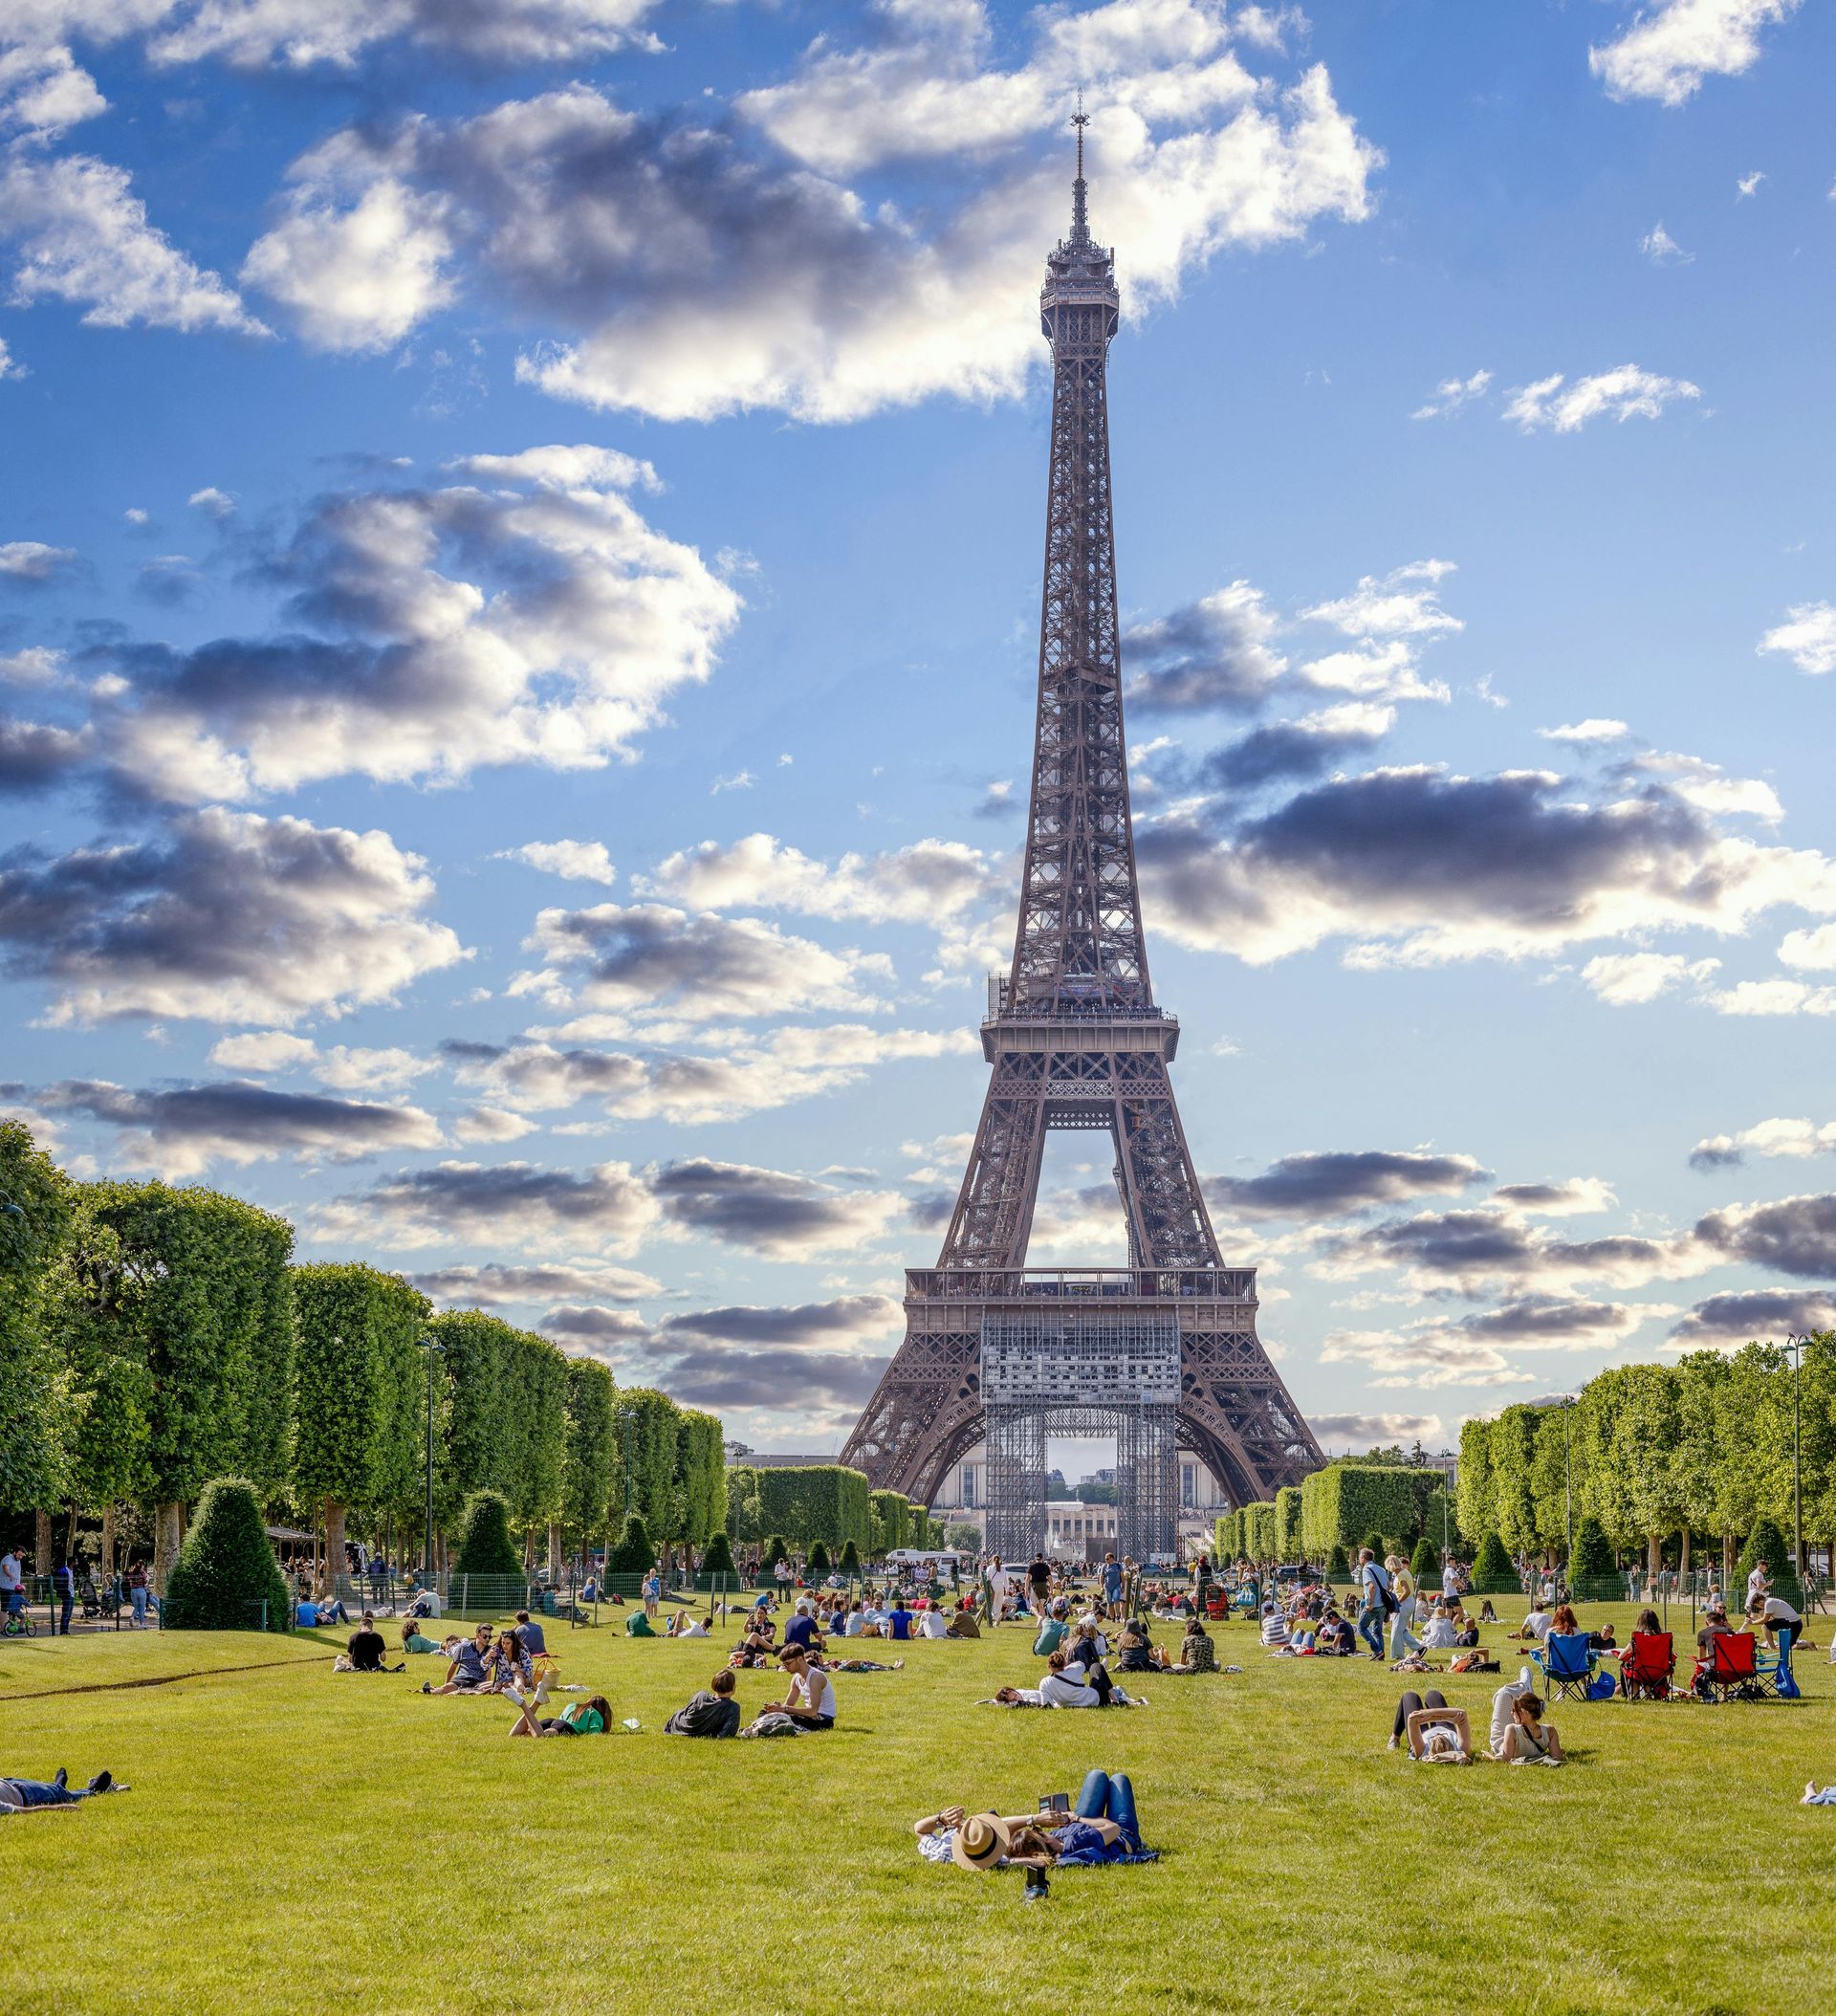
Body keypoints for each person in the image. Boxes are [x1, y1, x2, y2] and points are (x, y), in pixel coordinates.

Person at [760, 1644, 836, 1729]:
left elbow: (812, 1711)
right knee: (765, 1713)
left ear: (799, 1659)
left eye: (788, 1663)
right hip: (810, 1717)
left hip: (823, 1720)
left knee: (787, 1719)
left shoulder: (815, 1677)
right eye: (784, 1664)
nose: (786, 1667)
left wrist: (784, 1709)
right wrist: (777, 1708)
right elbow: (788, 1705)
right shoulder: (796, 1678)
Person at [1388, 1688, 1472, 1763]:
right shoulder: (1461, 1749)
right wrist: (1443, 1718)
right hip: (1446, 1727)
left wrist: (1429, 1714)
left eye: (1435, 1745)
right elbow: (1462, 1713)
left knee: (1410, 1696)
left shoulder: (1422, 1751)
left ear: (1430, 1753)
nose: (1438, 1740)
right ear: (1452, 1749)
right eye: (1444, 1745)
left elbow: (1412, 1718)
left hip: (1422, 1734)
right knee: (1433, 1694)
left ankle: (1395, 1738)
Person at [1, 1768, 126, 1811]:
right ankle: (94, 1789)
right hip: (25, 1794)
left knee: (56, 1791)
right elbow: (20, 1811)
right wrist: (58, 1807)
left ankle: (59, 1786)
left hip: (9, 1782)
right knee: (63, 1795)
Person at [666, 1669, 742, 1737]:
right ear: (732, 1688)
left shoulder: (701, 1695)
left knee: (680, 1713)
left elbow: (687, 1713)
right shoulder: (732, 1707)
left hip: (679, 1727)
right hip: (699, 1731)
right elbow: (727, 1733)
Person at [423, 1624, 493, 1695]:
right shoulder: (464, 1648)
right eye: (485, 1636)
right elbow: (453, 1666)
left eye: (489, 1637)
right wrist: (446, 1684)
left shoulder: (491, 1650)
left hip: (478, 1683)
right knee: (444, 1689)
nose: (487, 1639)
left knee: (495, 1684)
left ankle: (434, 1690)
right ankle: (430, 1691)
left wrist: (485, 1687)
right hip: (462, 1679)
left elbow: (488, 1669)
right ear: (477, 1635)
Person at [510, 1691, 611, 1738]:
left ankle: (536, 1703)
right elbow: (594, 1733)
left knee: (515, 1735)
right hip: (565, 1727)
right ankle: (523, 1705)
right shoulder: (596, 1714)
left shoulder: (573, 1705)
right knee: (540, 1737)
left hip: (554, 1722)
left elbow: (561, 1718)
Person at [1355, 1548, 1391, 1660]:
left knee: (1361, 1627)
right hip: (1383, 1604)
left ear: (1363, 1558)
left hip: (1374, 1605)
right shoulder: (1381, 1569)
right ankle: (1380, 1655)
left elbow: (1372, 1586)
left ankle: (1377, 1650)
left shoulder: (1366, 1569)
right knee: (1377, 1631)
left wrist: (1370, 1602)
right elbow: (1389, 1585)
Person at [1388, 1555, 1420, 1662]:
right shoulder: (1405, 1572)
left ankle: (1397, 1655)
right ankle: (1418, 1648)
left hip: (1404, 1603)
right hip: (1410, 1602)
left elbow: (1406, 1591)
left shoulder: (1401, 1575)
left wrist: (1397, 1602)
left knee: (1396, 1630)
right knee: (1402, 1630)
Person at [52, 1558, 75, 1637]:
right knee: (65, 1613)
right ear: (72, 1562)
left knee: (69, 1614)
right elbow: (59, 1582)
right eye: (75, 1561)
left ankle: (66, 1630)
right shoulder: (63, 1571)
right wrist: (64, 1591)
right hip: (66, 1594)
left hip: (72, 1594)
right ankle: (63, 1631)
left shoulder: (72, 1571)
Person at [1101, 1552, 1125, 1618]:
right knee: (1110, 1603)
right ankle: (1112, 1618)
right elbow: (1101, 1577)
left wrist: (1123, 1586)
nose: (1106, 1560)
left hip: (1117, 1586)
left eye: (1107, 1559)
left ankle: (1117, 1616)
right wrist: (1101, 1587)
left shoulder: (1118, 1565)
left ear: (1112, 1558)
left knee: (1116, 1600)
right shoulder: (1104, 1566)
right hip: (1108, 1587)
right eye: (1105, 1559)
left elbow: (1122, 1576)